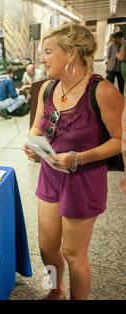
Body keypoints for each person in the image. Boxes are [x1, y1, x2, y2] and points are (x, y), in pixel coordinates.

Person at [22, 23, 123, 300]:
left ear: (72, 54)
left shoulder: (102, 91)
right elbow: (36, 128)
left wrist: (78, 158)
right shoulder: (46, 89)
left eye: (48, 52)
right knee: (46, 246)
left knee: (74, 253)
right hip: (50, 176)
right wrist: (32, 145)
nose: (42, 59)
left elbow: (119, 139)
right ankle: (56, 289)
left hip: (83, 180)